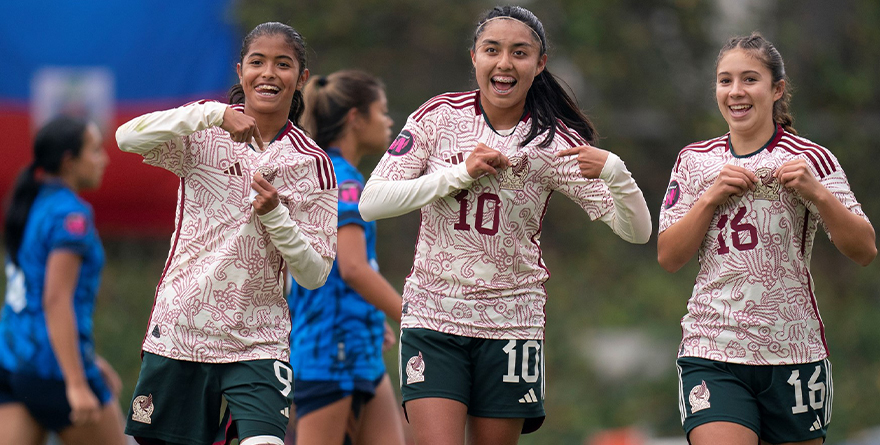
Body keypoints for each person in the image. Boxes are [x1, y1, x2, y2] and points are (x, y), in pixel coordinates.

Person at [358, 6, 652, 444]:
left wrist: (615, 171)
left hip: (512, 323)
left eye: (519, 53)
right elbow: (372, 202)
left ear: (540, 64)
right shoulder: (439, 117)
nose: (504, 63)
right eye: (492, 50)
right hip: (434, 316)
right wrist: (459, 174)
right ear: (473, 56)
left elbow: (637, 231)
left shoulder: (554, 141)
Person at [115, 22, 338, 445]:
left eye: (283, 64)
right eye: (257, 62)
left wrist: (276, 215)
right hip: (181, 330)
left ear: (301, 78)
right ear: (240, 71)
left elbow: (314, 274)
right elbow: (127, 137)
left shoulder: (313, 163)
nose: (268, 73)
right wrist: (213, 113)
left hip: (258, 341)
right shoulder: (203, 133)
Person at [657, 32, 876, 445]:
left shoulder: (811, 159)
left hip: (793, 352)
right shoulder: (694, 161)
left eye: (749, 79)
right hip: (712, 350)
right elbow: (669, 256)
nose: (736, 92)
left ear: (777, 89)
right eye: (725, 80)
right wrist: (709, 199)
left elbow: (864, 249)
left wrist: (818, 194)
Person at [285, 70, 405, 445]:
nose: (389, 121)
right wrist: (414, 318)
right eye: (381, 111)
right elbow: (351, 267)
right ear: (356, 118)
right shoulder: (344, 181)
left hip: (360, 345)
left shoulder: (330, 173)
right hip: (329, 352)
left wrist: (371, 315)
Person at [0, 116, 125, 445]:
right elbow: (55, 300)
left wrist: (90, 360)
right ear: (70, 161)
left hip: (13, 363)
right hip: (51, 371)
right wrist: (77, 380)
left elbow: (33, 294)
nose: (104, 159)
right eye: (96, 151)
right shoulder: (70, 215)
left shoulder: (32, 202)